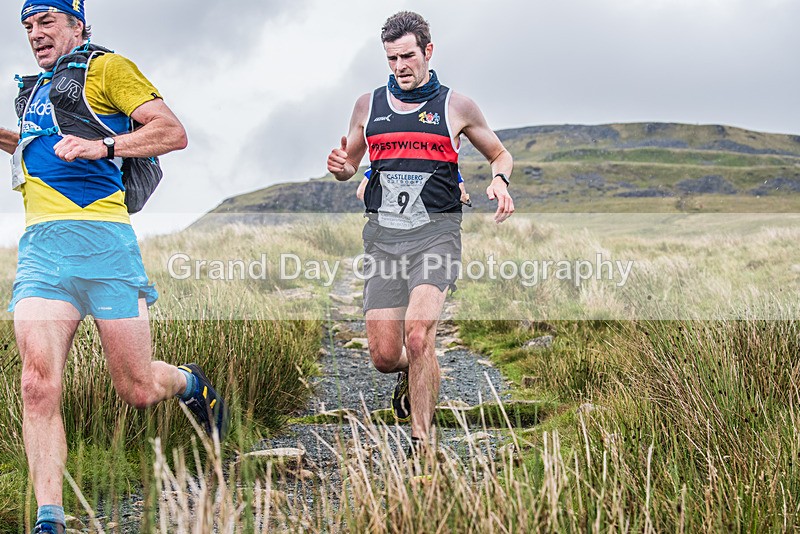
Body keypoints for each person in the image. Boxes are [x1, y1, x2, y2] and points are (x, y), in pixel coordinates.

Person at [0, 2, 228, 532]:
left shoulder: (108, 69)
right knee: (37, 383)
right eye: (28, 26)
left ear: (77, 25)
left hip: (105, 247)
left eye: (46, 23)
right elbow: (37, 151)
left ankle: (194, 386)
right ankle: (49, 519)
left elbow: (172, 132)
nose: (35, 34)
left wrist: (106, 144)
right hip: (43, 252)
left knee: (137, 388)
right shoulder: (33, 90)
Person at [327, 11, 513, 456]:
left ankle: (422, 446)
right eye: (391, 58)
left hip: (437, 234)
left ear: (428, 51)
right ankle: (415, 372)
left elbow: (500, 154)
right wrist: (341, 169)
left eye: (407, 56)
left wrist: (499, 181)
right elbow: (350, 163)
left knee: (418, 333)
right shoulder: (367, 106)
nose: (399, 66)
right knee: (386, 356)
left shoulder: (457, 106)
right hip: (384, 239)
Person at [358, 167, 471, 207]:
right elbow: (462, 196)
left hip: (388, 228)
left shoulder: (385, 157)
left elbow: (361, 192)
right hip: (432, 228)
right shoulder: (443, 160)